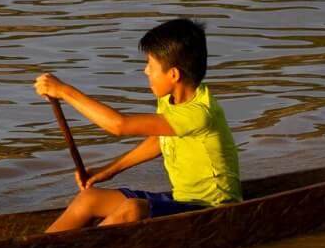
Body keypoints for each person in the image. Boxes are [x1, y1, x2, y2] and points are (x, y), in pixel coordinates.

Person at [33, 18, 239, 234]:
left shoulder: (199, 113)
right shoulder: (172, 99)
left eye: (151, 65)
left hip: (211, 210)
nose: (146, 71)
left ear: (174, 75)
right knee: (90, 198)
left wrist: (65, 92)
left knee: (133, 209)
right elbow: (160, 140)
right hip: (181, 199)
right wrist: (107, 171)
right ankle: (43, 246)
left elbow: (119, 126)